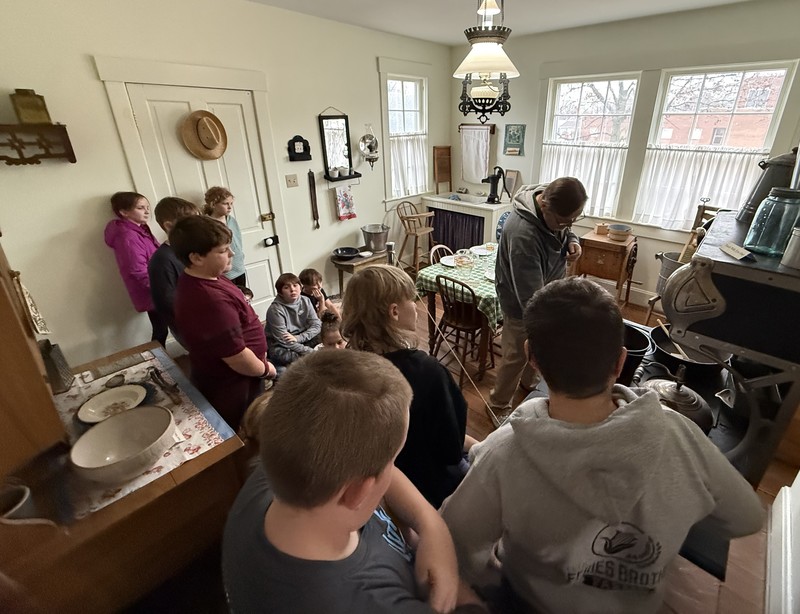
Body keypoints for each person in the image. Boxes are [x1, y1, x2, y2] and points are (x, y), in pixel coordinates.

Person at [440, 278, 764, 614]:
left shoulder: (503, 453)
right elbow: (746, 518)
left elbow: (454, 541)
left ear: (530, 357)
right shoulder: (677, 431)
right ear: (620, 362)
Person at [222, 350, 486, 614]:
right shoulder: (368, 603)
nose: (392, 469)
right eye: (392, 459)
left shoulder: (279, 470)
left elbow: (381, 470)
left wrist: (432, 528)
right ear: (358, 491)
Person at [342, 265, 477, 508]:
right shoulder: (428, 373)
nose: (416, 305)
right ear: (394, 311)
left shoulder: (347, 367)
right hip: (429, 485)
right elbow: (451, 450)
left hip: (382, 482)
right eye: (413, 299)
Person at [489, 177, 588, 427]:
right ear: (544, 205)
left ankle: (528, 381)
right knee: (515, 354)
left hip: (546, 292)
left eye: (573, 219)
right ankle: (498, 405)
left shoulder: (553, 207)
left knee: (537, 345)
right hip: (521, 303)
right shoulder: (523, 235)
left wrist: (572, 239)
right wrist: (555, 321)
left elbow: (565, 227)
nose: (567, 225)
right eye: (563, 221)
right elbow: (530, 298)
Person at [171, 215, 276, 430]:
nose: (232, 253)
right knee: (246, 427)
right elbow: (237, 357)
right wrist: (266, 370)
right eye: (222, 250)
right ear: (197, 258)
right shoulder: (209, 300)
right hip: (235, 383)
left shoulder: (207, 276)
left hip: (241, 375)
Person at [104, 191, 167, 344]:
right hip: (152, 289)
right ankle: (159, 363)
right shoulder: (128, 236)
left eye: (147, 207)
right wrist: (162, 288)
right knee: (161, 330)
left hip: (157, 286)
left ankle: (160, 361)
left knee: (161, 329)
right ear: (124, 212)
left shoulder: (141, 230)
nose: (147, 211)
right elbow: (137, 270)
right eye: (140, 208)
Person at [147, 196, 200, 345]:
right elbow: (166, 302)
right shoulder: (161, 260)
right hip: (191, 328)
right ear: (169, 226)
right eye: (191, 223)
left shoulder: (190, 251)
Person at [265, 273, 321, 368]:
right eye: (286, 287)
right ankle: (308, 361)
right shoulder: (275, 310)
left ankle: (304, 360)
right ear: (280, 292)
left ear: (300, 287)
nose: (292, 289)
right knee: (278, 354)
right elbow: (284, 340)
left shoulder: (305, 300)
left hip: (300, 337)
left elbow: (316, 325)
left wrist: (299, 338)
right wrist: (311, 352)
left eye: (295, 285)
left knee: (324, 334)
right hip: (281, 344)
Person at [204, 186, 246, 287]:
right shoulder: (207, 223)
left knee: (244, 295)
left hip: (239, 266)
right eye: (225, 204)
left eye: (231, 203)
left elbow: (237, 240)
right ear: (213, 204)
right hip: (224, 271)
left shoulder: (231, 220)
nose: (230, 207)